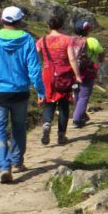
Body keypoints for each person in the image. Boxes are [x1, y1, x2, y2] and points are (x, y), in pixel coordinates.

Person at [0, 6, 44, 184]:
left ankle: (4, 166)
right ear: (20, 21)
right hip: (19, 92)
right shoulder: (28, 40)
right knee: (19, 127)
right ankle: (17, 161)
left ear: (2, 19)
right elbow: (34, 69)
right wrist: (41, 91)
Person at [36, 12, 82, 145]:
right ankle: (61, 135)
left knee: (49, 101)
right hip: (64, 73)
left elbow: (34, 55)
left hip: (48, 73)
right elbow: (72, 59)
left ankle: (46, 124)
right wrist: (78, 75)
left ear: (49, 26)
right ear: (62, 25)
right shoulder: (68, 39)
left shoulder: (42, 40)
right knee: (63, 104)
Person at [70, 17, 104, 128]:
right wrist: (100, 61)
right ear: (87, 30)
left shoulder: (71, 40)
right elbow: (101, 52)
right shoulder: (92, 41)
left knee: (76, 93)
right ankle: (77, 119)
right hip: (87, 72)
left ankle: (81, 114)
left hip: (73, 71)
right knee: (84, 96)